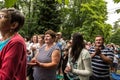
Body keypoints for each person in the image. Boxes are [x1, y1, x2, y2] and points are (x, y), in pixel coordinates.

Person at [0, 8, 26, 80]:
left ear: (13, 25)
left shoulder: (16, 43)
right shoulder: (1, 40)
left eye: (1, 16)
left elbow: (5, 77)